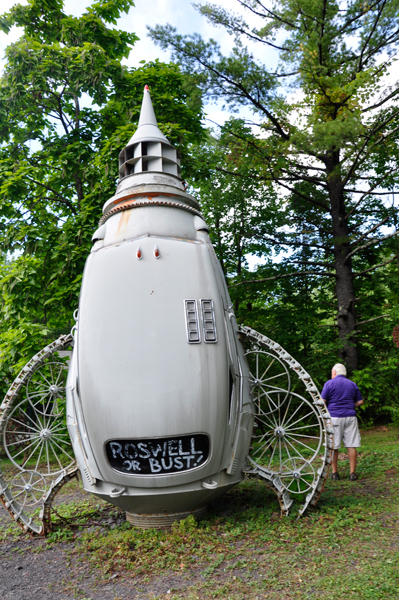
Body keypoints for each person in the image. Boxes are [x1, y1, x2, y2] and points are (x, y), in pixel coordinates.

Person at [321, 363, 364, 481]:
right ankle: (352, 473)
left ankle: (335, 473)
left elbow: (322, 401)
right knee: (351, 445)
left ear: (334, 372)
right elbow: (360, 402)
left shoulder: (329, 384)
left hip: (334, 417)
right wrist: (352, 405)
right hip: (350, 417)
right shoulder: (352, 384)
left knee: (334, 446)